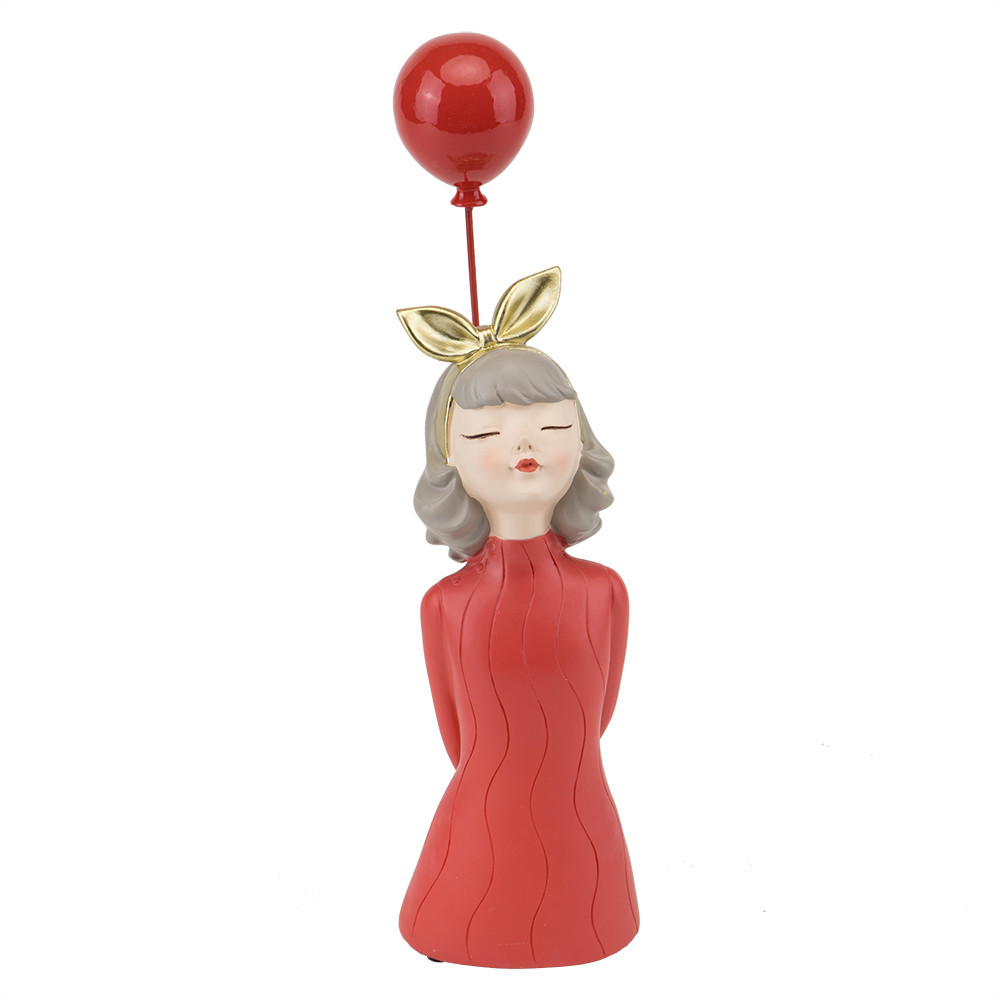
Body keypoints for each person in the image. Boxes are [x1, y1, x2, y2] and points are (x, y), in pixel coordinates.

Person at [397, 268, 639, 968]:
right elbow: (456, 736)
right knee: (466, 894)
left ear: (580, 442)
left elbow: (596, 717)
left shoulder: (604, 592)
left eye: (552, 426)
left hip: (581, 818)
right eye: (488, 432)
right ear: (449, 457)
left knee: (584, 896)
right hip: (480, 828)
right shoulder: (445, 605)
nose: (522, 446)